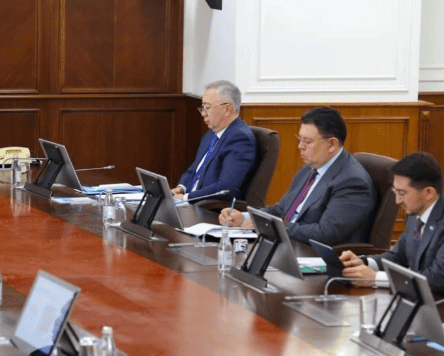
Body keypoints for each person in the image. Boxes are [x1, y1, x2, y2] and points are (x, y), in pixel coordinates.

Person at [219, 107, 375, 245]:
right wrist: (246, 218)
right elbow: (281, 210)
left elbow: (324, 234)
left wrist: (269, 226)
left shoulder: (352, 182)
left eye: (307, 141)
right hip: (287, 243)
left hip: (312, 255)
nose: (300, 146)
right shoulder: (310, 168)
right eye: (300, 139)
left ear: (332, 144)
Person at [340, 152, 444, 293]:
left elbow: (437, 279)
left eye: (402, 193)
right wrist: (363, 262)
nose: (397, 201)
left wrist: (376, 278)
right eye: (396, 192)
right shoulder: (415, 215)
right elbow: (398, 257)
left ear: (428, 193)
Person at [171, 80, 257, 202]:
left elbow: (225, 188)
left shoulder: (240, 139)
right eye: (202, 108)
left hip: (208, 208)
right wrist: (182, 188)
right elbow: (194, 169)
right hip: (190, 201)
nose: (203, 114)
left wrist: (186, 198)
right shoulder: (211, 134)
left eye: (207, 108)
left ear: (227, 109)